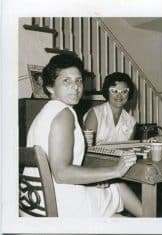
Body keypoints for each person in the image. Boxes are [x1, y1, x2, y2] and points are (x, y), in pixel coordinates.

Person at [24, 54, 142, 217]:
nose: (75, 87)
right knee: (117, 186)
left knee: (116, 212)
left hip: (34, 204)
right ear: (51, 86)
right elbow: (61, 173)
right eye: (66, 81)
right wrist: (115, 170)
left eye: (78, 81)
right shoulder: (64, 114)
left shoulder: (44, 113)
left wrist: (96, 177)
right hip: (61, 206)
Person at [84, 72, 136, 144]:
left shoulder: (131, 122)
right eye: (114, 91)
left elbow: (127, 151)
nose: (119, 96)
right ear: (107, 92)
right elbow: (87, 148)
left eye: (124, 91)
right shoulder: (95, 114)